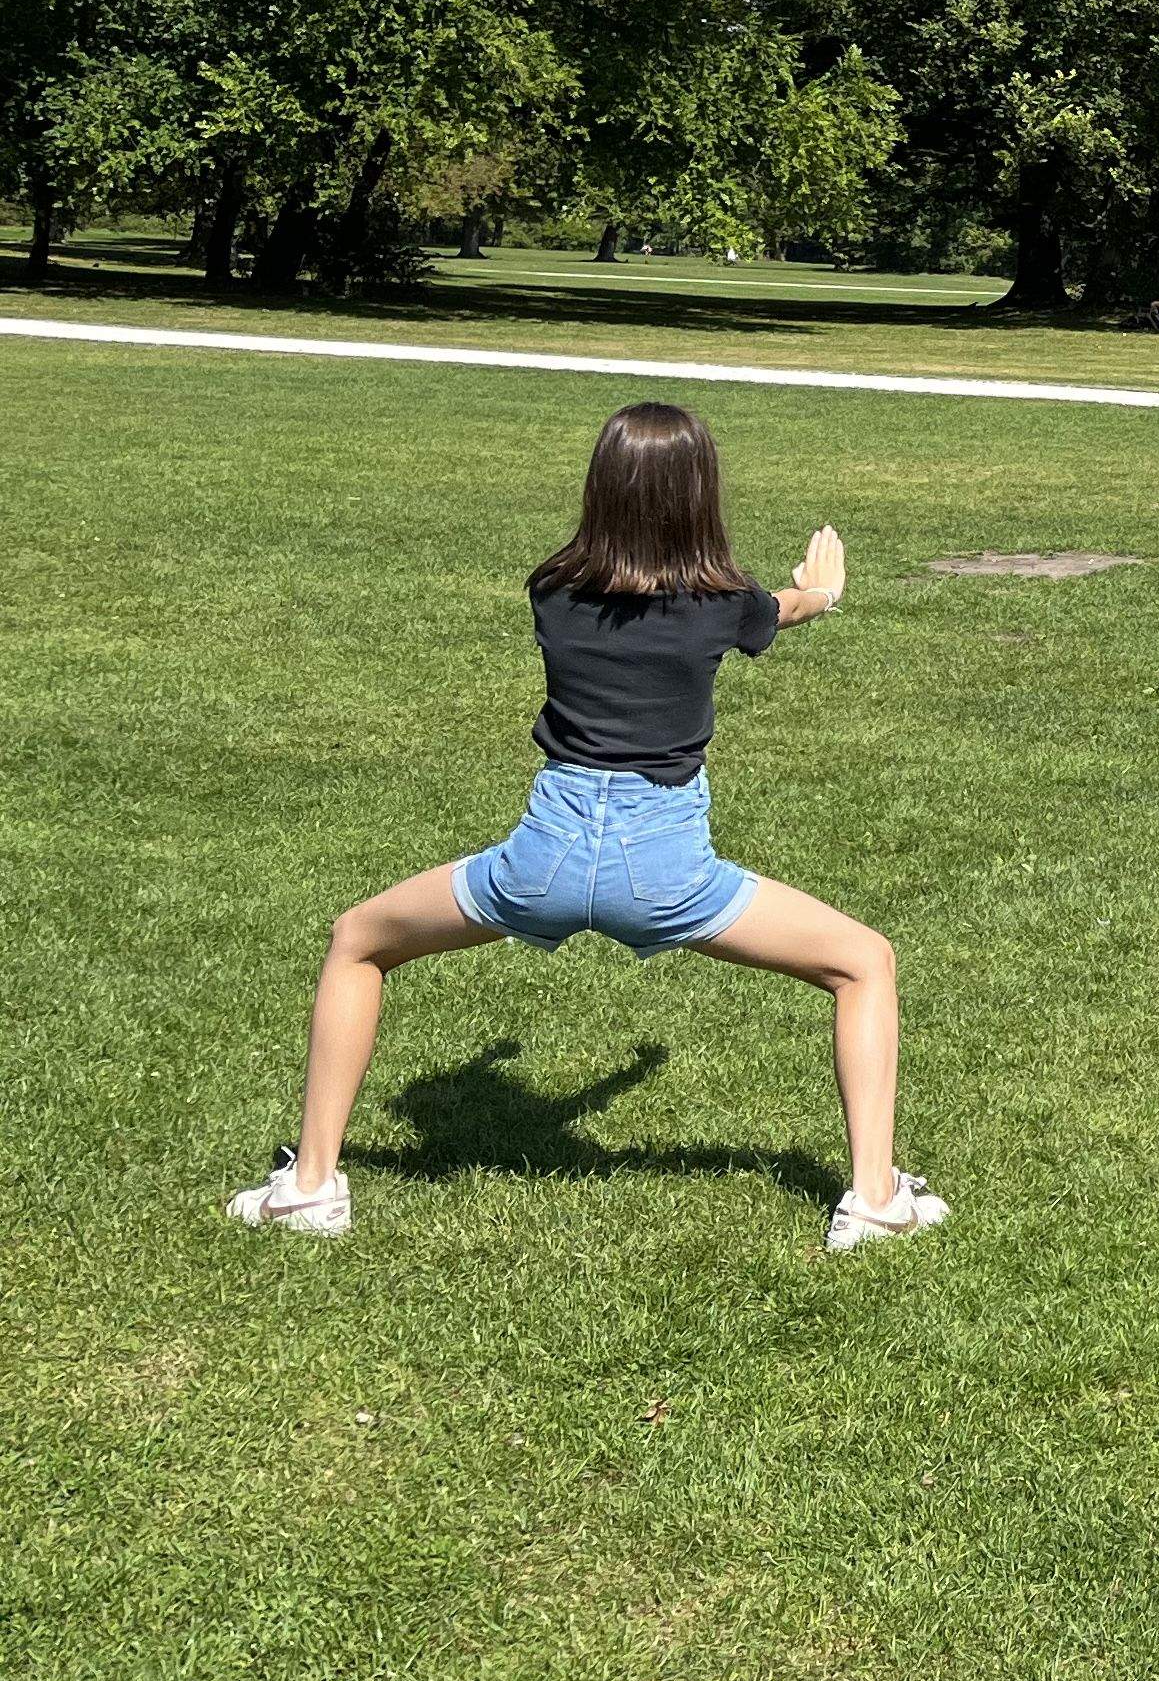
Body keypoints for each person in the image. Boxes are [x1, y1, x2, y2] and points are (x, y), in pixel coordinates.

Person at [224, 403, 944, 1254]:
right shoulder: (723, 605)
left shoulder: (553, 590)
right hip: (667, 870)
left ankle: (309, 1188)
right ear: (700, 497)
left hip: (542, 860)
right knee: (865, 962)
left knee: (357, 940)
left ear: (600, 488)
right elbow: (778, 610)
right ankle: (874, 1200)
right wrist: (822, 593)